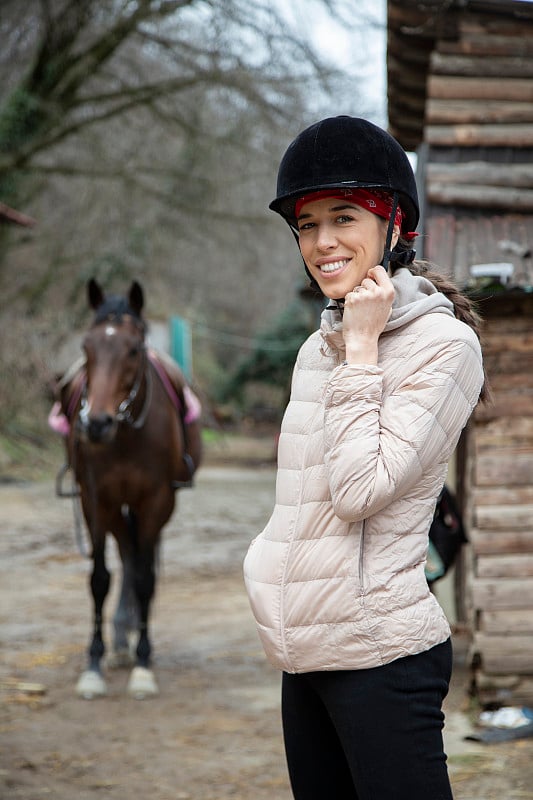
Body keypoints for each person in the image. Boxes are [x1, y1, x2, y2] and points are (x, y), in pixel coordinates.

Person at [243, 115, 487, 800]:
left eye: (343, 217)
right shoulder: (314, 348)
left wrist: (360, 349)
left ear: (393, 224)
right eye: (305, 223)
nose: (321, 242)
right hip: (306, 653)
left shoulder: (443, 347)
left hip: (381, 656)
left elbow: (358, 489)